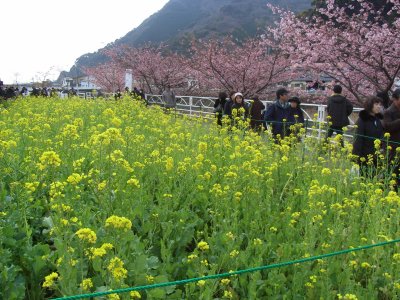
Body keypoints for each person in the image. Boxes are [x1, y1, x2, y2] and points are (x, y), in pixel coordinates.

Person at [352, 96, 384, 171]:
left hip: (376, 155)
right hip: (364, 156)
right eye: (376, 104)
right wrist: (356, 158)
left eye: (380, 105)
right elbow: (358, 140)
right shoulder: (362, 120)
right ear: (370, 105)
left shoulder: (378, 120)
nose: (379, 107)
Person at [382, 89, 400, 186]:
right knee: (392, 171)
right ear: (395, 99)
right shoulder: (388, 112)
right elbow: (388, 126)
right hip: (392, 148)